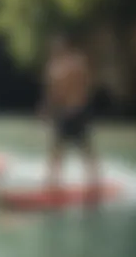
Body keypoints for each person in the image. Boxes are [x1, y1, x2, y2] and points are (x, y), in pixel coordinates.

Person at [38, 34, 100, 205]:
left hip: (75, 111)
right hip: (69, 111)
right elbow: (53, 94)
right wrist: (47, 109)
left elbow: (84, 85)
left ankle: (93, 183)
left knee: (81, 148)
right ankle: (54, 183)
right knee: (61, 148)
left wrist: (49, 108)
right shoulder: (61, 66)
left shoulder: (65, 66)